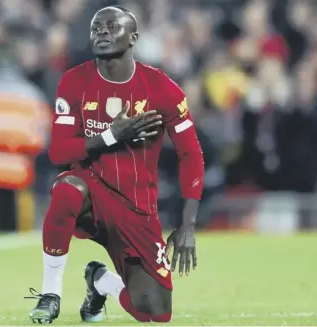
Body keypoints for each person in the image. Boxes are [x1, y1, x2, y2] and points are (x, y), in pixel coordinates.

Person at [27, 5, 204, 324]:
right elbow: (58, 152)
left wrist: (188, 224)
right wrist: (110, 136)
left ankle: (100, 281)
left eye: (111, 26)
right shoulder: (73, 82)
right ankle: (49, 295)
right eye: (96, 28)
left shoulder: (161, 88)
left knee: (155, 312)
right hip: (90, 195)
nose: (102, 32)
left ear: (134, 37)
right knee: (67, 190)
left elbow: (190, 154)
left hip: (137, 208)